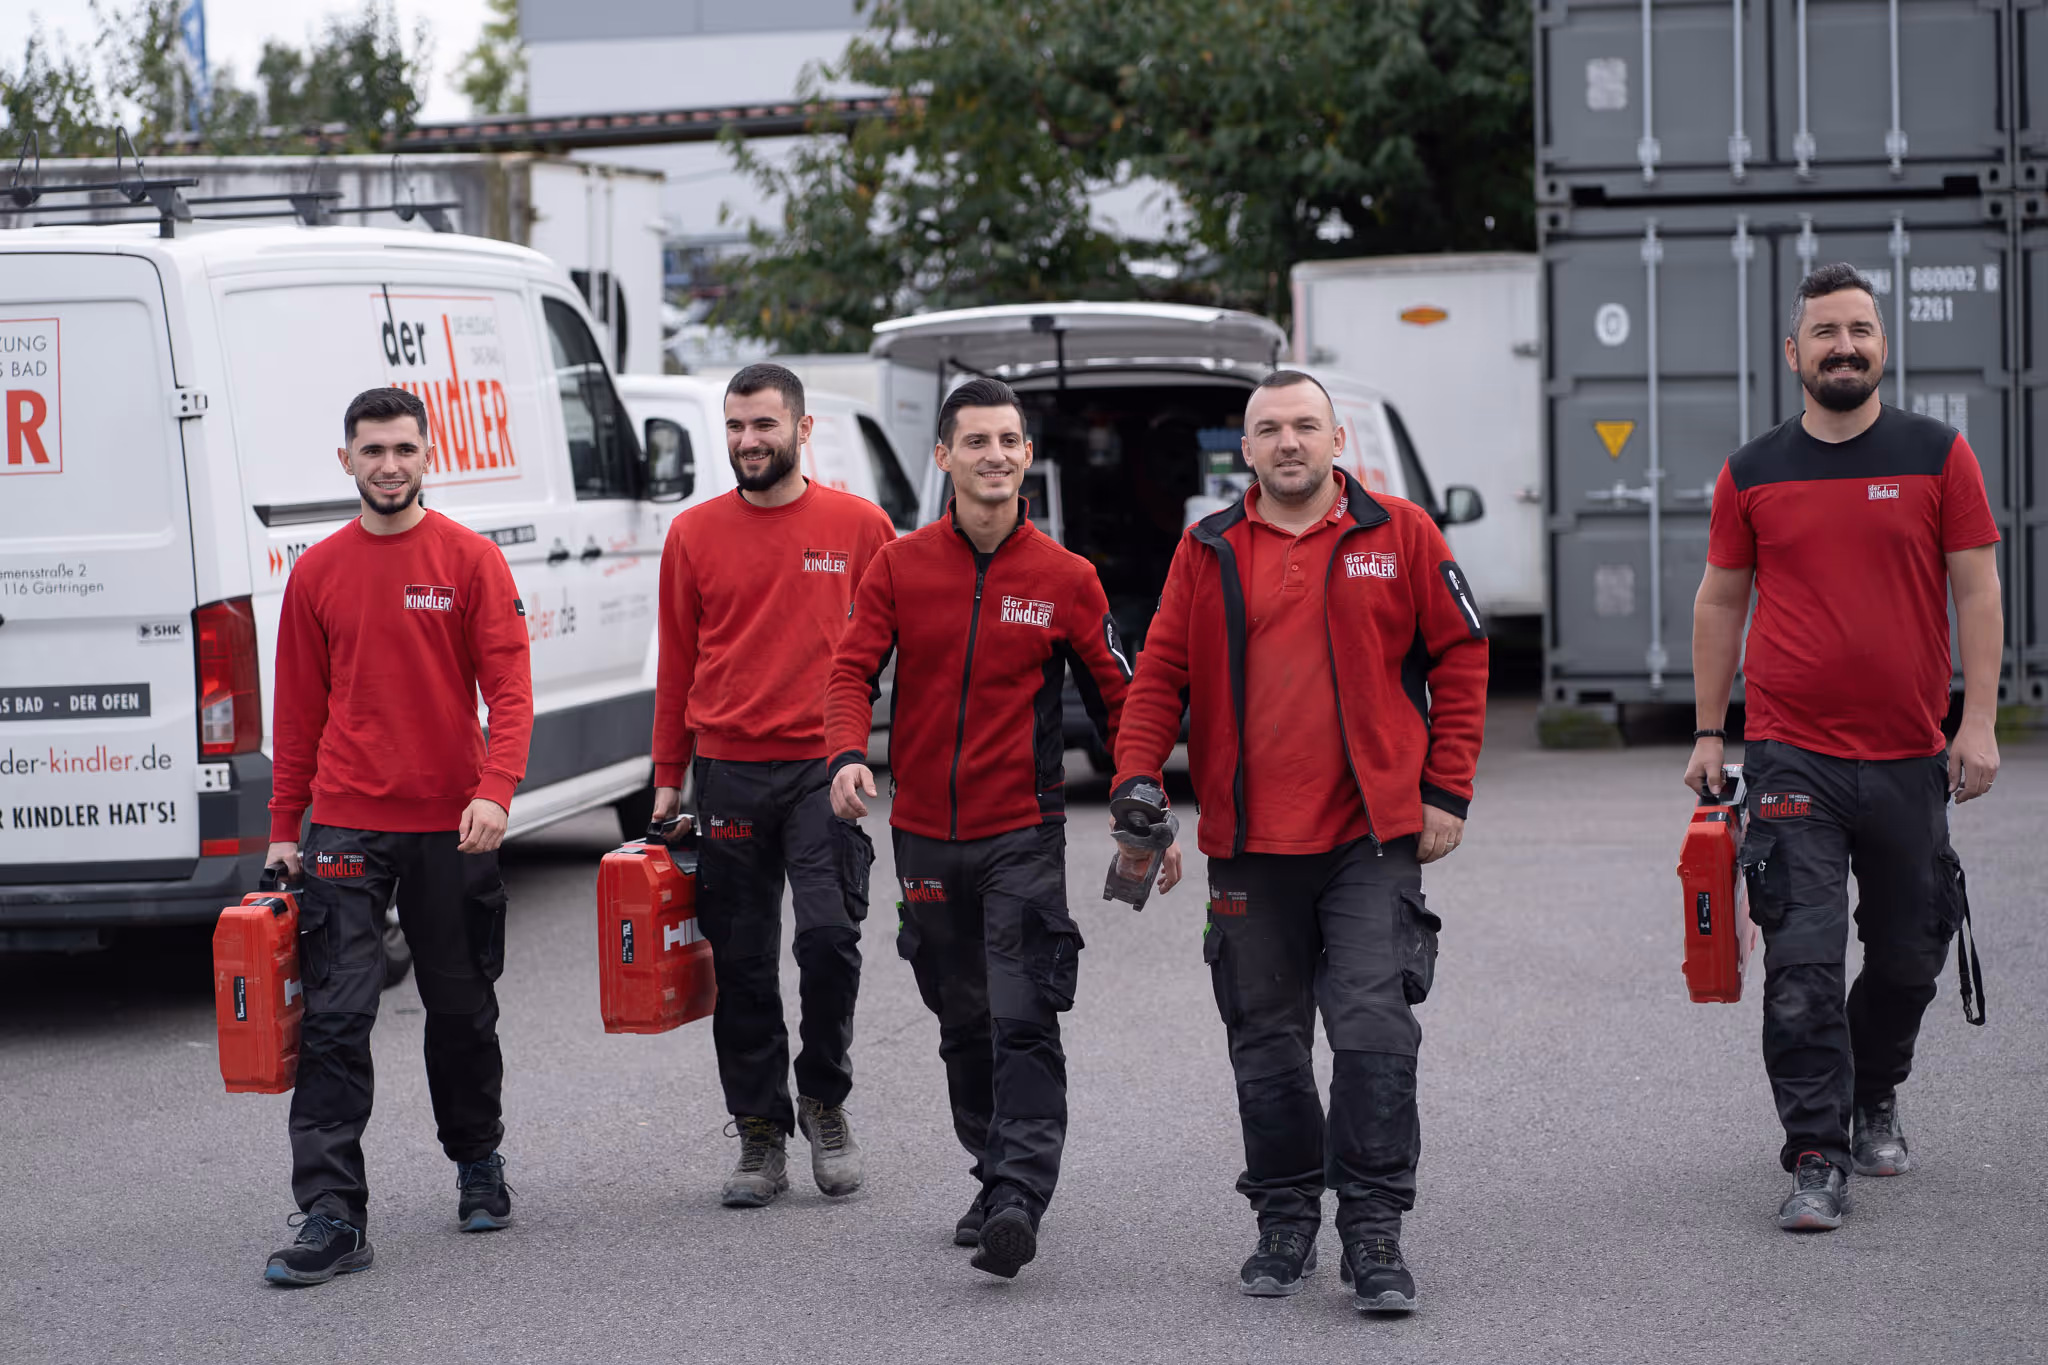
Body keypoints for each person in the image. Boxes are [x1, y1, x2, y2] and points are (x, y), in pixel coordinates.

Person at [1113, 370, 1488, 1314]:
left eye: (1305, 426)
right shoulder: (1207, 548)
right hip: (1247, 846)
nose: (1288, 442)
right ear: (1243, 449)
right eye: (1269, 428)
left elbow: (1463, 651)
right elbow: (1159, 670)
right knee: (1267, 1048)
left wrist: (1445, 786)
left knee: (1372, 1038)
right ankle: (1284, 1220)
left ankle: (1372, 1231)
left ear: (1335, 442)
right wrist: (1135, 782)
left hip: (1369, 839)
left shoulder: (1399, 532)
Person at [1686, 263, 2002, 1232]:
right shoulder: (1751, 470)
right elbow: (1719, 600)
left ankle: (1872, 1092)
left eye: (1858, 331)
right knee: (1801, 967)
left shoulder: (1935, 454)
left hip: (1908, 755)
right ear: (1792, 354)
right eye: (1823, 333)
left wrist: (1976, 720)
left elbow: (1976, 592)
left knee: (1909, 956)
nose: (1843, 347)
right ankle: (1814, 1154)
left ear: (1880, 346)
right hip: (1791, 759)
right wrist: (1708, 731)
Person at [825, 377, 1155, 1280]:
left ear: (1026, 456)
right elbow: (851, 671)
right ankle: (990, 1169)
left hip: (1021, 831)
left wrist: (1143, 804)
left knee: (1023, 1014)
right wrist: (848, 754)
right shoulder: (897, 567)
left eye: (1010, 441)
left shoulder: (1066, 579)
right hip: (925, 836)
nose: (997, 456)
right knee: (962, 1020)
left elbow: (1125, 701)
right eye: (977, 442)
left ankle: (1017, 1194)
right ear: (944, 457)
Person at [262, 386, 534, 1285]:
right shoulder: (317, 572)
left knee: (462, 1011)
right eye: (371, 449)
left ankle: (477, 1158)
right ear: (346, 460)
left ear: (429, 456)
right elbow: (296, 712)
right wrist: (282, 828)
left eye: (403, 449)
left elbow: (512, 690)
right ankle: (332, 1211)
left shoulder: (470, 559)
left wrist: (496, 790)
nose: (388, 464)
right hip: (345, 822)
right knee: (337, 1019)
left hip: (454, 826)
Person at [650, 363, 896, 1208]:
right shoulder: (691, 534)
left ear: (802, 427)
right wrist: (665, 781)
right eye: (735, 427)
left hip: (822, 771)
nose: (748, 441)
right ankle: (760, 1130)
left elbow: (900, 646)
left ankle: (825, 1099)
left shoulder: (861, 526)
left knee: (829, 940)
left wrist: (867, 745)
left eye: (763, 424)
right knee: (744, 963)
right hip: (724, 771)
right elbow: (677, 663)